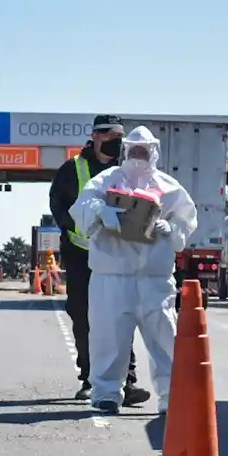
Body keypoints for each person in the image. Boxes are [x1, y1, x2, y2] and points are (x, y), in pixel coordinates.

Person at [69, 126, 198, 415]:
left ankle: (170, 396)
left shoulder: (169, 187)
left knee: (165, 339)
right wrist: (101, 212)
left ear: (154, 152)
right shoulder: (106, 180)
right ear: (126, 150)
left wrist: (171, 229)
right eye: (134, 149)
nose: (139, 154)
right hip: (111, 275)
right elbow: (82, 207)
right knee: (108, 338)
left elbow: (187, 221)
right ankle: (106, 393)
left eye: (144, 150)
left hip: (155, 278)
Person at [47, 115, 145, 404]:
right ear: (95, 136)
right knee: (84, 316)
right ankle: (90, 379)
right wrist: (84, 226)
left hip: (118, 255)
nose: (113, 140)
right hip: (81, 256)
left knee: (121, 316)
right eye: (107, 135)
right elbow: (59, 207)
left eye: (118, 136)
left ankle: (127, 382)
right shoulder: (72, 169)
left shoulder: (128, 171)